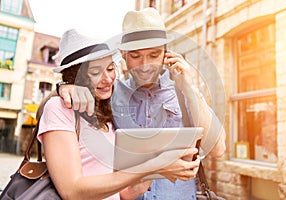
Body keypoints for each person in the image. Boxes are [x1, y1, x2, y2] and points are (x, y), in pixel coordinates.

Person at [57, 8, 226, 200]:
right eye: (136, 56)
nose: (145, 65)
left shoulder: (184, 92)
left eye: (154, 55)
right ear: (123, 54)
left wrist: (190, 88)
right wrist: (64, 87)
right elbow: (63, 114)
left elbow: (218, 149)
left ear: (165, 53)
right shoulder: (111, 94)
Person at [37, 29, 201, 200]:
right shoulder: (59, 107)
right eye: (95, 72)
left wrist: (163, 165)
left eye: (110, 68)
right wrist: (154, 166)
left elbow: (120, 194)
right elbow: (72, 191)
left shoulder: (106, 116)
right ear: (74, 75)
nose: (108, 78)